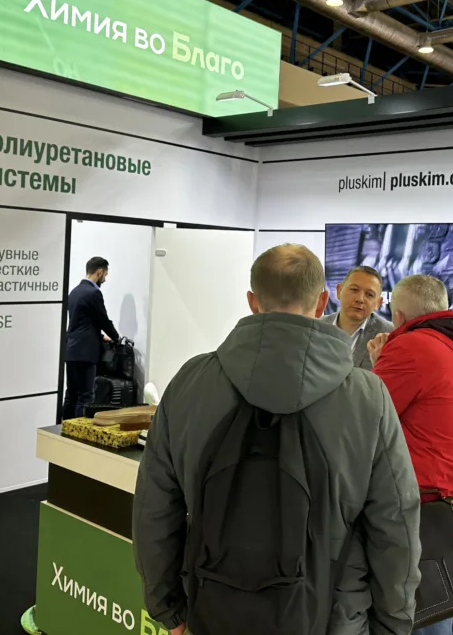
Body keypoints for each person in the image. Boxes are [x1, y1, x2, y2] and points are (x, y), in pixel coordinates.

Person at [132, 244, 421, 635]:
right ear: (323, 302)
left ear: (252, 301)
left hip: (211, 607)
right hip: (333, 618)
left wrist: (169, 607)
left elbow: (154, 508)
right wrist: (393, 623)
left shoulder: (190, 381)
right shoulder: (368, 397)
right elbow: (395, 522)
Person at [367, 274, 453, 635]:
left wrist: (378, 365)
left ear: (398, 316)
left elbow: (369, 417)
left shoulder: (410, 346)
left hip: (427, 507)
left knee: (427, 613)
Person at [62, 256, 120, 420]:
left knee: (71, 394)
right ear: (99, 272)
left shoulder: (74, 292)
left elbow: (81, 322)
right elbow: (103, 320)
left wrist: (101, 337)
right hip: (85, 352)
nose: (105, 279)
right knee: (86, 395)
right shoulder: (94, 293)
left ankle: (64, 427)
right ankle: (78, 432)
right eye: (105, 275)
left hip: (71, 350)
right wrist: (116, 338)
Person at [321, 265, 393, 369]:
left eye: (369, 294)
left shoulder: (389, 334)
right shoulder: (317, 327)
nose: (360, 299)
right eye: (354, 290)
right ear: (339, 291)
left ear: (378, 303)